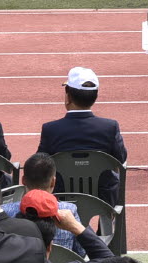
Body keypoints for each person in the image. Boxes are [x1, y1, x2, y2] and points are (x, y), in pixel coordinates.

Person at [36, 65, 127, 203]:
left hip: (61, 195)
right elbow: (120, 158)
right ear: (95, 97)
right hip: (102, 197)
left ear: (68, 96)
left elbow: (41, 162)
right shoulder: (110, 127)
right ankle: (106, 223)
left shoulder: (51, 129)